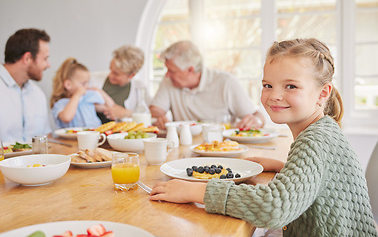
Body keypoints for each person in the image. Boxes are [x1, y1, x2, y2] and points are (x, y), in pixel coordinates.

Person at [149, 38, 378, 236]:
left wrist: (196, 191)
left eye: (291, 86)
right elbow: (318, 178)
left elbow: (273, 208)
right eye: (267, 85)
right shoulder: (322, 131)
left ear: (322, 93)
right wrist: (284, 166)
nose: (275, 95)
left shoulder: (315, 141)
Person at [149, 40, 265, 130]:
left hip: (221, 148)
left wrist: (256, 121)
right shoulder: (169, 81)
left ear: (190, 69)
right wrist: (159, 118)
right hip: (184, 147)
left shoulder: (226, 82)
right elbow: (155, 110)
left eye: (172, 71)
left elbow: (257, 116)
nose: (167, 74)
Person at [0, 28, 51, 142]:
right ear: (27, 58)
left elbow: (46, 139)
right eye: (45, 59)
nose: (48, 65)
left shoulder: (38, 93)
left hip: (35, 160)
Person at [92, 45, 151, 123]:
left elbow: (148, 115)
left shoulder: (140, 89)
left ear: (131, 75)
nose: (110, 75)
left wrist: (127, 113)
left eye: (116, 74)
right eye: (110, 69)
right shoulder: (92, 79)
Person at [50, 58, 114, 128]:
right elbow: (66, 118)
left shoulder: (87, 99)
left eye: (87, 83)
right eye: (83, 84)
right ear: (68, 85)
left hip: (94, 135)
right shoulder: (60, 104)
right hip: (71, 138)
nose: (86, 86)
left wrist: (99, 91)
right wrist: (77, 95)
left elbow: (110, 107)